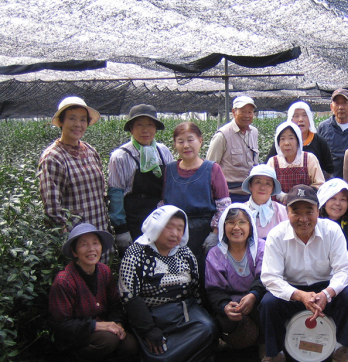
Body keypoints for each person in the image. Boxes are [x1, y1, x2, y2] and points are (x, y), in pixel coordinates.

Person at [256, 185, 348, 362]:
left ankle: (343, 349)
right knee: (268, 303)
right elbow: (270, 277)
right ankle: (274, 354)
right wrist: (299, 295)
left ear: (318, 210)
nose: (303, 219)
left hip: (324, 287)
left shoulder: (332, 231)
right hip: (292, 291)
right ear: (287, 212)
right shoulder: (277, 235)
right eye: (296, 212)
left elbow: (344, 271)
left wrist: (326, 293)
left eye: (309, 212)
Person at [119, 206, 218, 362]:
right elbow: (129, 296)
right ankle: (183, 361)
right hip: (150, 316)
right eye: (169, 227)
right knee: (143, 343)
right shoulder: (135, 252)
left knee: (207, 328)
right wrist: (149, 329)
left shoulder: (185, 253)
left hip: (184, 313)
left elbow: (195, 290)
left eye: (180, 228)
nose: (175, 233)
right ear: (157, 225)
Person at [48, 223, 138, 362]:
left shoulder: (104, 271)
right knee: (108, 340)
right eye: (84, 245)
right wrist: (97, 325)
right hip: (76, 336)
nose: (91, 249)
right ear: (74, 251)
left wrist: (118, 324)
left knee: (130, 345)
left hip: (101, 328)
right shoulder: (64, 280)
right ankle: (73, 359)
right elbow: (62, 326)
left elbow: (115, 304)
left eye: (95, 243)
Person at [38, 97, 112, 259]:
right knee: (79, 282)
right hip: (77, 240)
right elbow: (52, 208)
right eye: (72, 118)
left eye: (83, 120)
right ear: (61, 122)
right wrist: (67, 240)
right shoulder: (53, 157)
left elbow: (101, 193)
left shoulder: (91, 151)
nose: (78, 124)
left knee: (100, 278)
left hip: (98, 231)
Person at [162, 122, 231, 273]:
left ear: (200, 140)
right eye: (180, 141)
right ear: (175, 144)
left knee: (203, 275)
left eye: (190, 139)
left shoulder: (212, 169)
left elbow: (223, 205)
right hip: (175, 235)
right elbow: (163, 204)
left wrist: (214, 234)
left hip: (204, 234)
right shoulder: (169, 170)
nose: (186, 145)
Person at [108, 104, 174, 253]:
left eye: (150, 125)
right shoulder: (120, 156)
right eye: (139, 125)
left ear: (156, 129)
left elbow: (171, 184)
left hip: (160, 217)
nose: (145, 130)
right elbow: (116, 194)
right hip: (134, 219)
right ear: (131, 129)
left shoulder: (163, 151)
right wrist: (121, 229)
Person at [205, 204, 266, 350]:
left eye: (242, 222)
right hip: (233, 304)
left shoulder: (261, 248)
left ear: (250, 226)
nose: (236, 227)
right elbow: (214, 289)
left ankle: (266, 345)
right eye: (231, 222)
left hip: (257, 299)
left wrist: (253, 295)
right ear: (223, 226)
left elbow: (266, 277)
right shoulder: (215, 254)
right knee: (224, 320)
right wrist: (225, 306)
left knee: (268, 305)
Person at [206, 96, 259, 203]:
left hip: (250, 194)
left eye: (250, 112)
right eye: (243, 112)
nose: (247, 115)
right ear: (234, 112)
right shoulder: (223, 135)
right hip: (230, 194)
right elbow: (210, 168)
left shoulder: (254, 132)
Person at [265, 101, 334, 176]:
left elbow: (328, 169)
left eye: (304, 115)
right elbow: (267, 168)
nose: (301, 119)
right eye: (296, 116)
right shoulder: (281, 142)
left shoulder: (319, 141)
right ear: (290, 119)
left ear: (310, 119)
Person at [266, 121, 325, 201]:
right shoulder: (273, 162)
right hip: (279, 208)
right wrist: (281, 196)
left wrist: (301, 195)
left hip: (305, 205)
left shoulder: (309, 158)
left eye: (291, 138)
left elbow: (320, 185)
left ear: (298, 141)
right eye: (282, 139)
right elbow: (267, 186)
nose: (286, 143)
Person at [317, 88, 348, 179]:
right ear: (331, 107)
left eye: (344, 102)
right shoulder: (324, 127)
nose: (341, 107)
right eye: (337, 103)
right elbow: (318, 156)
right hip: (332, 183)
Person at [242, 165, 288, 239]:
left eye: (268, 183)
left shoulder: (282, 212)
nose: (262, 187)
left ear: (272, 188)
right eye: (258, 182)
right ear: (250, 186)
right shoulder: (241, 211)